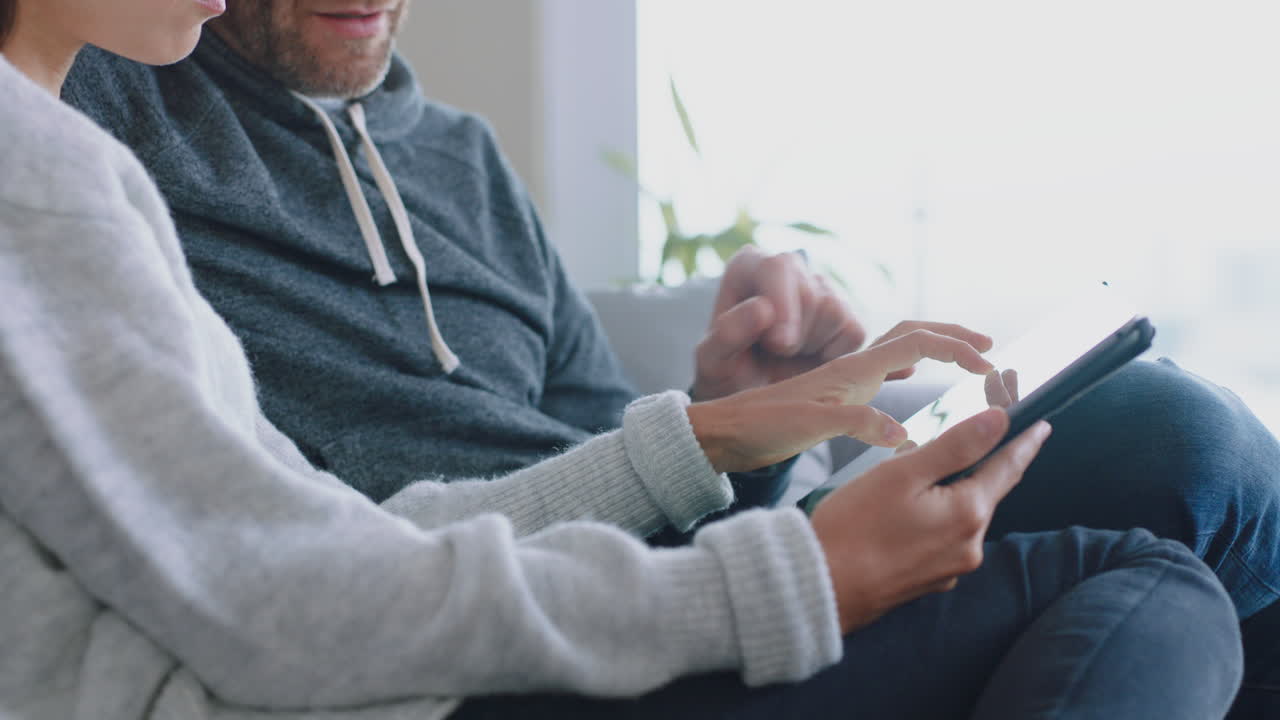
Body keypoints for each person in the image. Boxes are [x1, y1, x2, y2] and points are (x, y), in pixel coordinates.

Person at [0, 1, 1253, 718]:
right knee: (1152, 569)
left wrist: (736, 422)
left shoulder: (461, 161)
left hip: (606, 561)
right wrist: (775, 556)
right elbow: (288, 574)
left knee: (1172, 437)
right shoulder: (90, 123)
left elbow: (613, 443)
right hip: (457, 629)